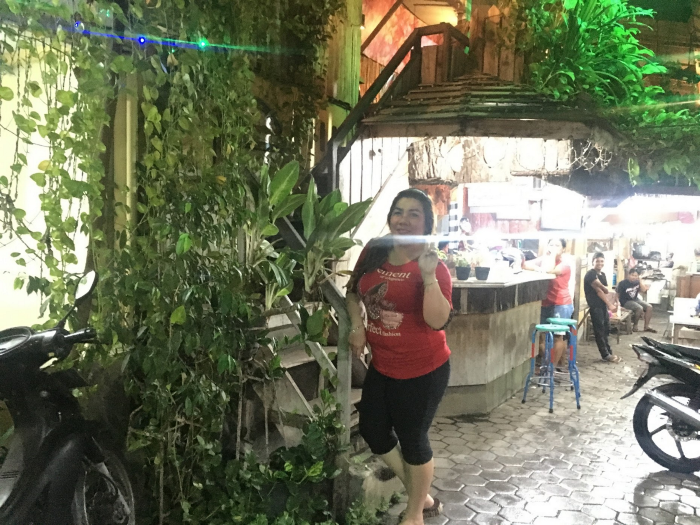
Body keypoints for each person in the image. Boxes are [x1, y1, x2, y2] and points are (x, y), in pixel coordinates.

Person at [346, 188, 452, 525]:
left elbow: (437, 321)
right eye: (398, 211)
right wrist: (357, 325)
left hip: (423, 370)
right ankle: (421, 494)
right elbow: (352, 291)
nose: (403, 219)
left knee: (413, 440)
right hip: (383, 364)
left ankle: (414, 513)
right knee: (372, 429)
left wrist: (428, 276)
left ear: (426, 223)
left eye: (413, 214)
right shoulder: (375, 250)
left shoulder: (435, 266)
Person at [523, 239, 573, 366]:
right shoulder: (544, 259)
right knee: (541, 336)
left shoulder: (565, 264)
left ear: (563, 249)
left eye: (557, 245)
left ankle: (551, 368)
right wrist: (539, 267)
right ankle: (547, 364)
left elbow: (550, 270)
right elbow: (524, 264)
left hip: (561, 304)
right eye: (551, 244)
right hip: (545, 302)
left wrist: (551, 256)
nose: (553, 247)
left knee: (557, 336)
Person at [584, 252, 622, 363]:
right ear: (593, 262)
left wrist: (613, 302)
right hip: (595, 305)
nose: (599, 263)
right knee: (599, 330)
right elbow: (600, 291)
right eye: (597, 261)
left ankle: (609, 352)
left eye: (601, 261)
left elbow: (606, 290)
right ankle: (605, 355)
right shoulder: (590, 274)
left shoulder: (602, 275)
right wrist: (609, 304)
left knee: (606, 329)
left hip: (602, 305)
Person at [616, 268, 656, 333]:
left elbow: (644, 290)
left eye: (636, 276)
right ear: (629, 275)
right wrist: (617, 303)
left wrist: (640, 280)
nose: (634, 277)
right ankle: (635, 325)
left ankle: (646, 326)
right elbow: (617, 295)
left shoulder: (637, 282)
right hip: (625, 301)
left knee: (649, 307)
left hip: (635, 299)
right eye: (632, 275)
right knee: (639, 308)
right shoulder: (622, 283)